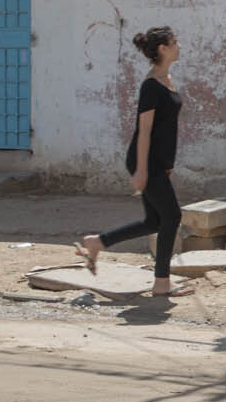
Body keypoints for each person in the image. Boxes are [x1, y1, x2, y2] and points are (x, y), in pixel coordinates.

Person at [76, 27, 195, 295]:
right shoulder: (151, 86)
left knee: (154, 221)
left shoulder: (167, 79)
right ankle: (162, 283)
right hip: (146, 160)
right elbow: (144, 130)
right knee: (172, 215)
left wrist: (167, 163)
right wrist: (141, 169)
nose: (179, 46)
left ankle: (97, 242)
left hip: (158, 161)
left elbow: (166, 128)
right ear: (163, 49)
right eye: (174, 42)